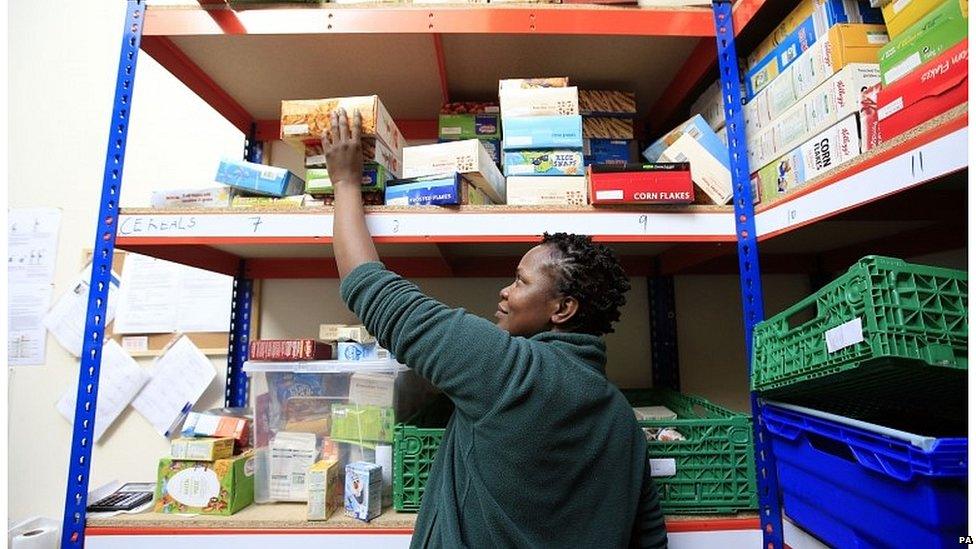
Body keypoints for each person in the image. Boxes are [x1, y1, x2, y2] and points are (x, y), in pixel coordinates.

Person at [325, 108, 667, 548]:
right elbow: (649, 536)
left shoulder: (509, 372)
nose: (504, 293)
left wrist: (345, 182)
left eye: (521, 282)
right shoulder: (619, 415)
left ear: (563, 308)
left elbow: (372, 290)